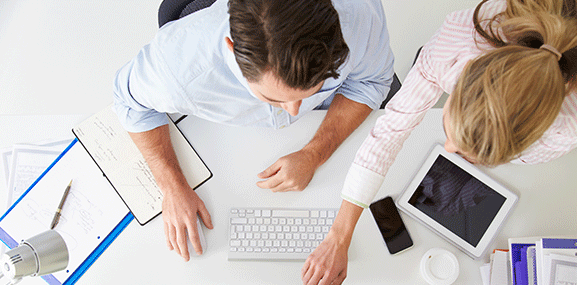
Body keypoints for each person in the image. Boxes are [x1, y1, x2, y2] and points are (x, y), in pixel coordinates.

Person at [302, 0, 577, 284]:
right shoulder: (459, 41)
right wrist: (338, 237)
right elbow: (390, 128)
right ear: (463, 76)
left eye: (469, 156)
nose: (447, 150)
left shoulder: (566, 130)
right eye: (450, 133)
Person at [112, 0, 395, 262]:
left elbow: (370, 83)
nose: (294, 111)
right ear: (232, 49)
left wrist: (314, 153)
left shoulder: (359, 15)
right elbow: (129, 103)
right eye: (274, 98)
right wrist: (172, 185)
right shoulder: (177, 66)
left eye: (313, 89)